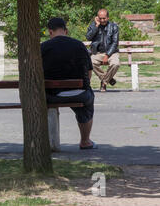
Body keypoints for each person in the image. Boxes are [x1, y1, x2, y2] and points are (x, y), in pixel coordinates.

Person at [41, 18, 97, 149]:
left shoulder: (43, 47)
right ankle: (85, 141)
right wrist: (85, 87)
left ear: (50, 32)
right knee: (87, 102)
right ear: (66, 30)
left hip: (52, 95)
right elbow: (89, 71)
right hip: (79, 94)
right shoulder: (79, 45)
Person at [86, 9, 120, 92]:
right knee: (90, 63)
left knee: (115, 64)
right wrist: (96, 26)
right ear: (97, 18)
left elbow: (115, 43)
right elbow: (88, 37)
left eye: (104, 18)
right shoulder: (93, 25)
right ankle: (109, 79)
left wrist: (107, 55)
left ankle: (104, 82)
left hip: (111, 53)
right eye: (100, 18)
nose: (102, 20)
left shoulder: (114, 27)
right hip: (97, 52)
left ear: (108, 18)